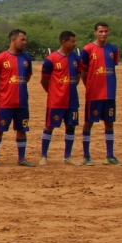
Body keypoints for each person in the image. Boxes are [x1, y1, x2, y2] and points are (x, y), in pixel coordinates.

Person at [0, 29, 34, 167]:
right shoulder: (0, 58)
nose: (25, 42)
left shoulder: (26, 58)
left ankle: (22, 158)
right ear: (13, 40)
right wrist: (4, 90)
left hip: (22, 102)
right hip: (5, 102)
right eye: (22, 39)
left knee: (22, 129)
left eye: (25, 40)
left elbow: (27, 77)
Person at [79, 22, 122, 165]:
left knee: (109, 123)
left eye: (106, 31)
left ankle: (109, 156)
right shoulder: (87, 49)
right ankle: (86, 156)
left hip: (109, 93)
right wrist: (89, 86)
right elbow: (83, 71)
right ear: (95, 33)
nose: (103, 34)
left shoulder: (113, 49)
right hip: (94, 94)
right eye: (101, 31)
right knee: (89, 122)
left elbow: (111, 67)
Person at [39, 30, 84, 165]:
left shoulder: (77, 59)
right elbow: (44, 80)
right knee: (49, 126)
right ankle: (44, 156)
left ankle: (68, 156)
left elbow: (77, 78)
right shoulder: (51, 60)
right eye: (72, 41)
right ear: (64, 42)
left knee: (71, 127)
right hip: (56, 101)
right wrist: (53, 92)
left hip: (72, 101)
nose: (75, 44)